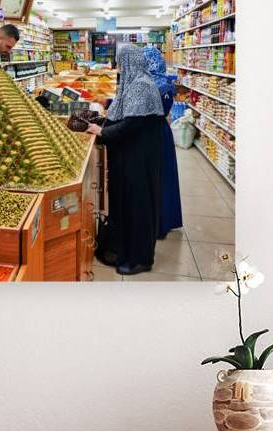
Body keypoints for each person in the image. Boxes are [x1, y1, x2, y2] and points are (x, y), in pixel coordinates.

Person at [87, 45, 165, 276]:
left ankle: (140, 258)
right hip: (130, 157)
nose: (119, 68)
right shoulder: (132, 84)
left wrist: (102, 132)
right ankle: (124, 249)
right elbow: (122, 114)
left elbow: (132, 125)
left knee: (138, 205)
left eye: (121, 64)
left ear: (131, 62)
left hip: (139, 159)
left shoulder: (142, 86)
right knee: (126, 204)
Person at [144, 46, 183, 240]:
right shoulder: (166, 83)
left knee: (153, 177)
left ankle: (156, 222)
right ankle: (165, 219)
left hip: (150, 133)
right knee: (164, 177)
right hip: (162, 132)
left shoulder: (148, 85)